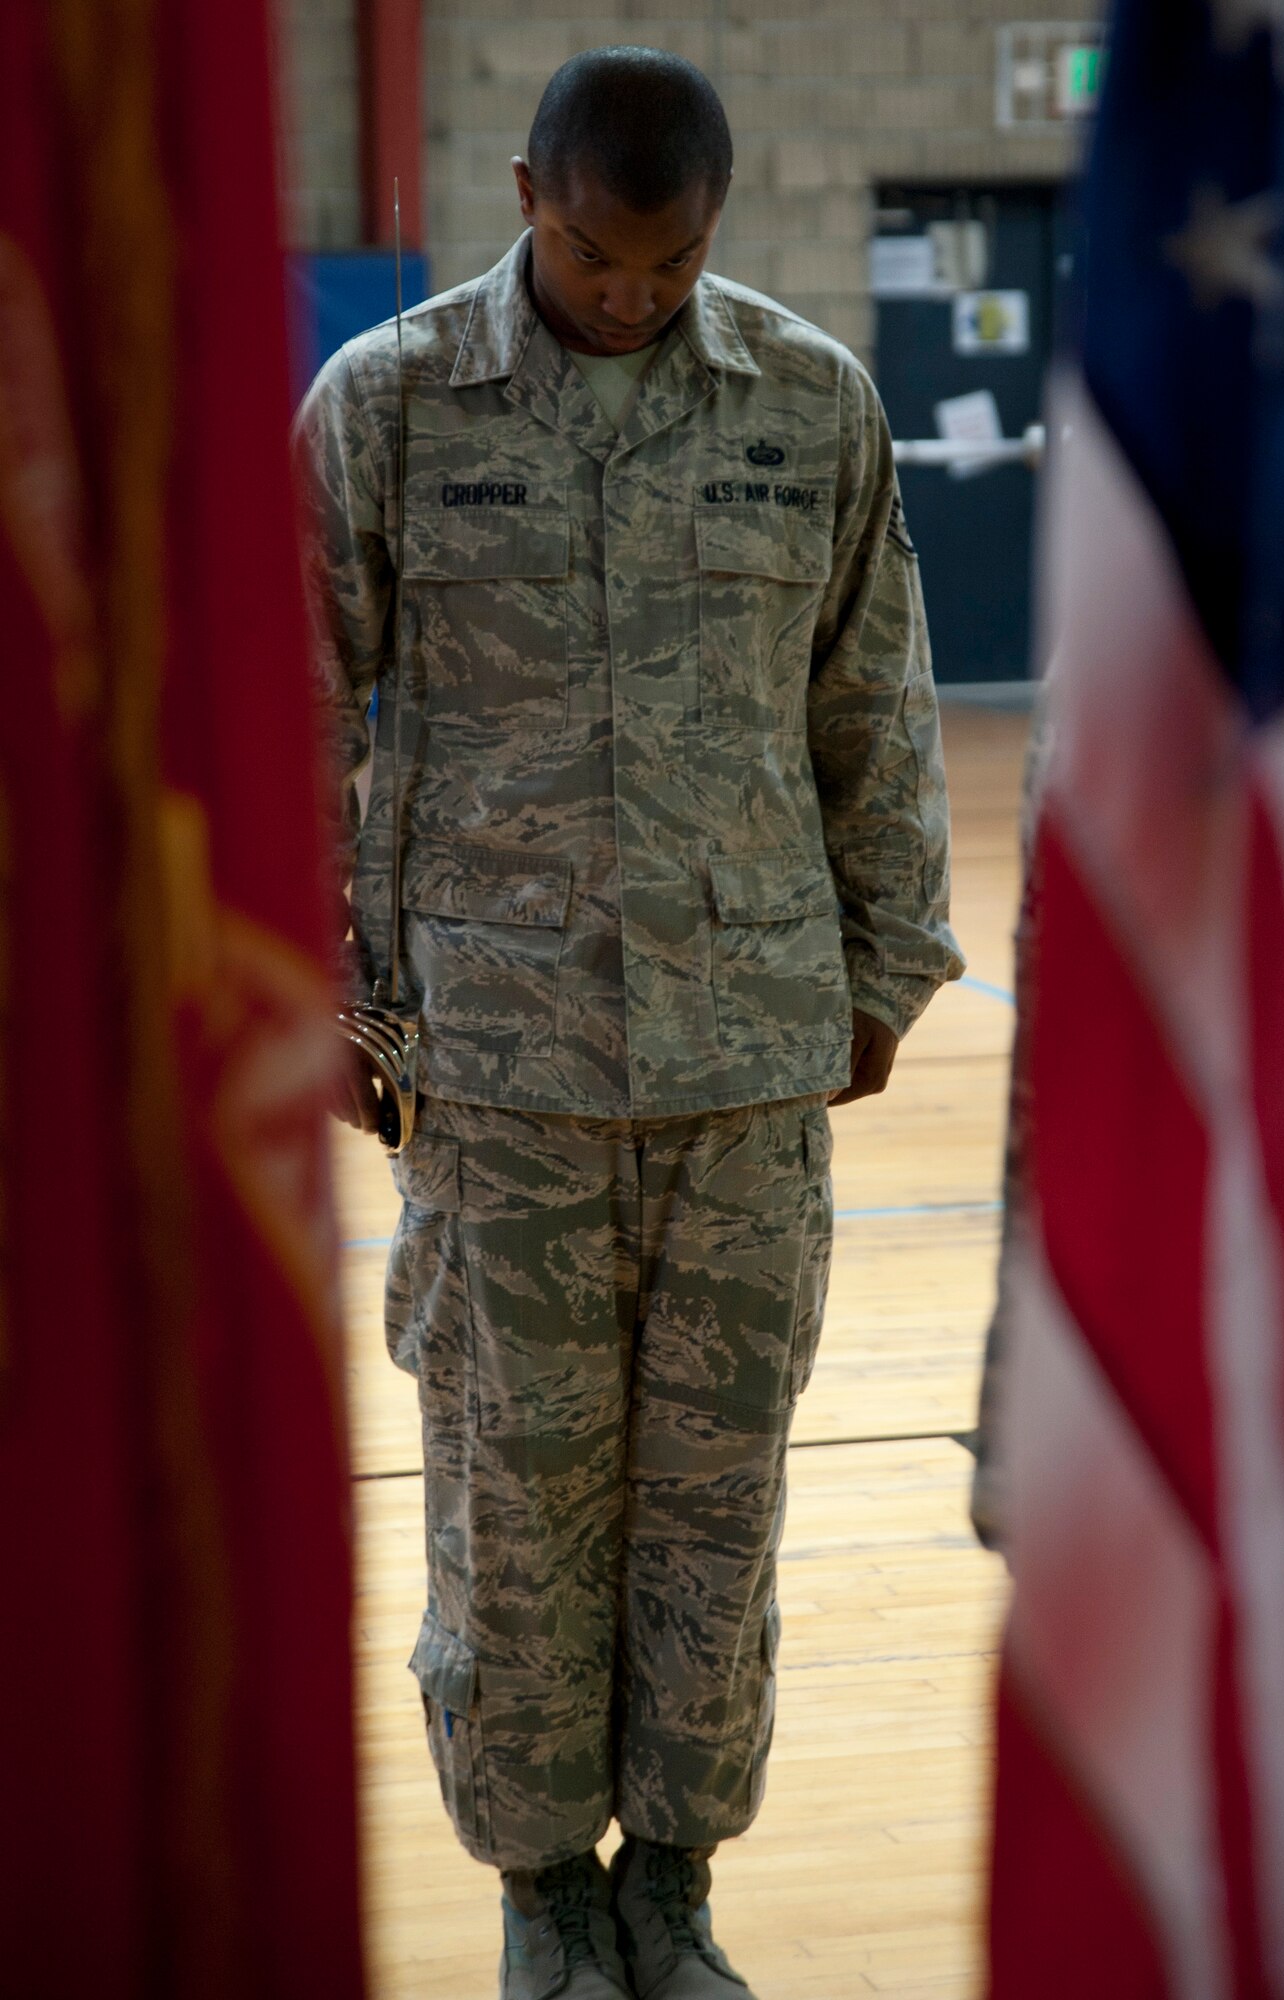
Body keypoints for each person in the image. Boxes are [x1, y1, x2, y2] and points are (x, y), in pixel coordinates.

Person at [296, 46, 962, 2000]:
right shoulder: (391, 406)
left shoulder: (808, 404)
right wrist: (331, 993)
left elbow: (874, 701)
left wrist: (890, 964)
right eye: (598, 255)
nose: (633, 298)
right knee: (517, 1500)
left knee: (715, 1498)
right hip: (493, 1077)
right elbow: (297, 714)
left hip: (748, 1065)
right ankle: (541, 1896)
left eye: (671, 264)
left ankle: (671, 1883)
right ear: (525, 193)